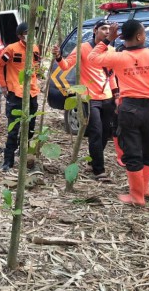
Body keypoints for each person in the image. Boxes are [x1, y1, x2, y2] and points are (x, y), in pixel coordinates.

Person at [88, 19, 149, 206]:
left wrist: (108, 39)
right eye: (144, 32)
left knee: (133, 153)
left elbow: (92, 58)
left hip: (129, 110)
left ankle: (138, 195)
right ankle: (144, 189)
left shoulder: (118, 57)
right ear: (139, 36)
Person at [53, 20, 118, 180]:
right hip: (89, 97)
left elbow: (111, 75)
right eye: (103, 28)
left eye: (109, 29)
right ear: (95, 30)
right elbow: (66, 65)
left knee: (105, 132)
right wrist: (58, 56)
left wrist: (116, 94)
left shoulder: (111, 50)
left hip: (107, 96)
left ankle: (92, 161)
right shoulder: (83, 48)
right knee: (95, 131)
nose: (106, 31)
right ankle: (99, 170)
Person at [0, 22, 41, 171]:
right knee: (13, 129)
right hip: (16, 93)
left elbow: (36, 66)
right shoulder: (11, 49)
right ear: (20, 35)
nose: (31, 35)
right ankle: (8, 161)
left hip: (32, 92)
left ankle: (23, 151)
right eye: (27, 32)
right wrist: (3, 85)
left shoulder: (35, 48)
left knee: (31, 127)